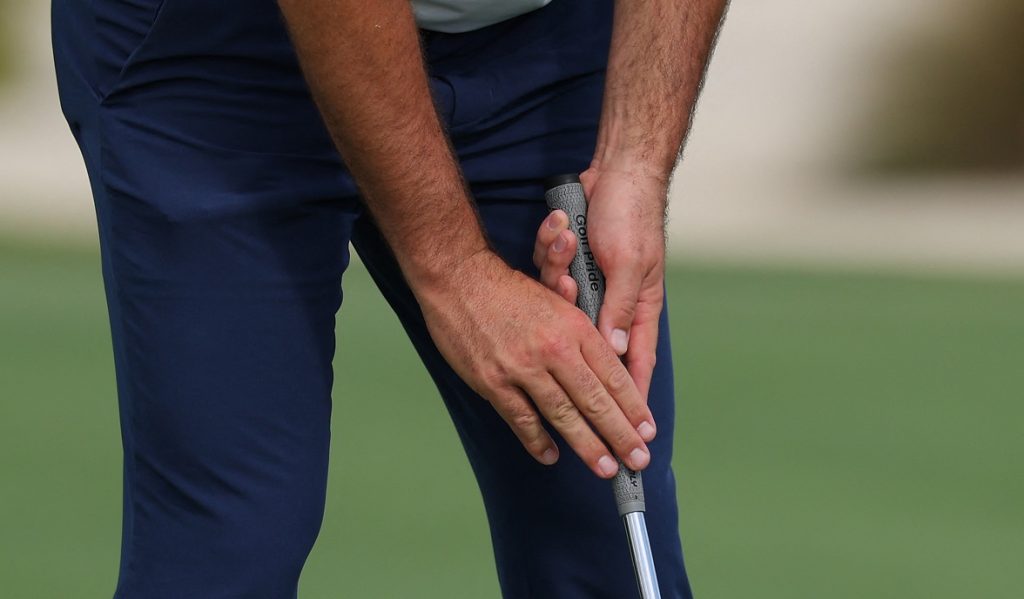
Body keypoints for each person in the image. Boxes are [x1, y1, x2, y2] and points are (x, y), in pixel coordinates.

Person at [51, 0, 727, 596]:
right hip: (213, 52)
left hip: (536, 42)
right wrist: (456, 270)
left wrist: (637, 160)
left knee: (602, 523)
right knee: (231, 546)